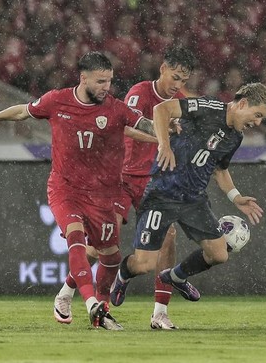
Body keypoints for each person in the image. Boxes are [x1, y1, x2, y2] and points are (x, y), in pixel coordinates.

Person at [0, 51, 157, 330]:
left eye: (109, 81)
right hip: (65, 188)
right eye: (100, 81)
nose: (106, 87)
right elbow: (24, 110)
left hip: (104, 193)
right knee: (76, 239)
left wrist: (167, 132)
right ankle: (91, 305)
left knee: (111, 256)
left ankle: (83, 302)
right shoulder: (56, 100)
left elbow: (141, 123)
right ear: (83, 78)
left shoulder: (115, 108)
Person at [53, 46, 198, 330]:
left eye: (183, 80)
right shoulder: (139, 93)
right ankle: (67, 292)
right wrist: (161, 138)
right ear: (163, 69)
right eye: (175, 76)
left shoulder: (180, 102)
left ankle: (159, 314)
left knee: (168, 238)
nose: (178, 84)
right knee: (102, 247)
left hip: (155, 181)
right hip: (121, 177)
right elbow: (123, 127)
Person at [110, 83, 266, 315]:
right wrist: (164, 145)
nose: (257, 123)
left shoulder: (234, 137)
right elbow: (161, 110)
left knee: (219, 254)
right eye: (257, 115)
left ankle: (175, 276)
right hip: (161, 194)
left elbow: (220, 170)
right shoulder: (208, 107)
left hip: (194, 200)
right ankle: (123, 274)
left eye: (261, 119)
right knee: (144, 265)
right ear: (243, 103)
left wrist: (236, 197)